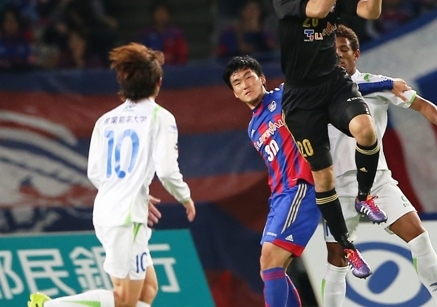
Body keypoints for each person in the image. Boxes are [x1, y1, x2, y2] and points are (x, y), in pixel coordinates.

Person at [28, 43, 196, 307]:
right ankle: (50, 306)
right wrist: (185, 197)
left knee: (148, 290)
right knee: (124, 299)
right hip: (126, 218)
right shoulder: (159, 116)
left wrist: (137, 194)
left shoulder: (105, 120)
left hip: (109, 211)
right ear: (158, 83)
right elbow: (166, 170)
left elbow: (95, 172)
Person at [272, 0, 390, 278]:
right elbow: (318, 8)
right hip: (300, 98)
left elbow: (370, 11)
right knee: (324, 179)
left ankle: (364, 196)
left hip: (333, 84)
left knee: (366, 130)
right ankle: (347, 246)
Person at [321, 25, 437, 307]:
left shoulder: (377, 83)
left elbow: (423, 105)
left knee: (418, 236)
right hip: (336, 185)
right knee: (337, 259)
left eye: (343, 49)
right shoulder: (318, 90)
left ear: (356, 54)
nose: (338, 55)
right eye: (332, 51)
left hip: (376, 180)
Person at [223, 55, 320, 307]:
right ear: (235, 93)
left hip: (301, 187)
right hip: (279, 196)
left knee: (270, 259)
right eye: (237, 82)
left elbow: (332, 85)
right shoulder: (253, 127)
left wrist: (383, 85)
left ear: (262, 79)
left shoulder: (285, 95)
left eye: (249, 77)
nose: (245, 84)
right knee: (269, 266)